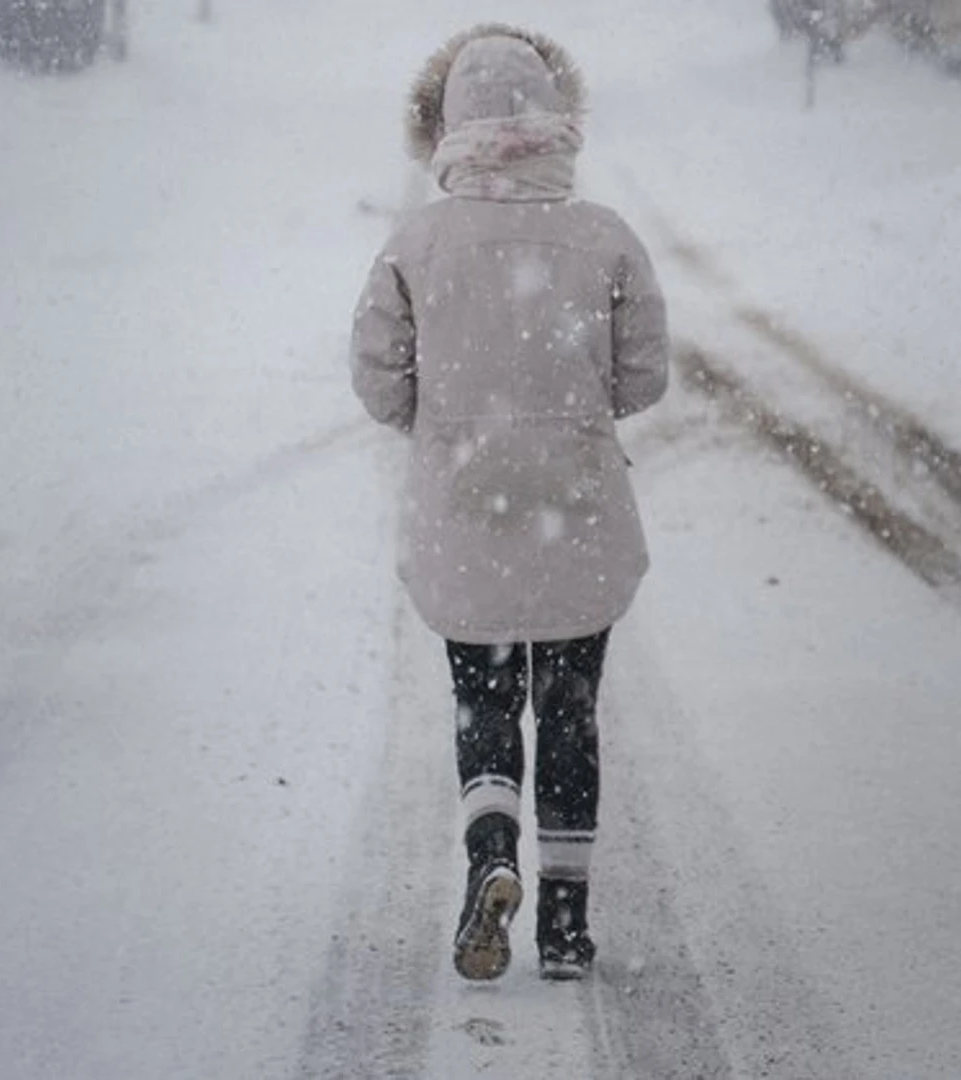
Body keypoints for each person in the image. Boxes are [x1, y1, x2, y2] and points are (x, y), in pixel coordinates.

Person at [350, 23, 669, 982]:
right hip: (576, 508)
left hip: (465, 511)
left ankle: (491, 855)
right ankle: (566, 927)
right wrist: (572, 405)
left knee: (482, 704)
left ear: (446, 126)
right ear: (554, 122)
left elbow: (377, 380)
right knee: (569, 710)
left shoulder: (417, 243)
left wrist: (441, 418)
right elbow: (645, 377)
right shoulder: (604, 237)